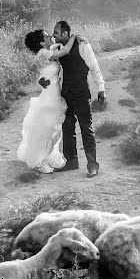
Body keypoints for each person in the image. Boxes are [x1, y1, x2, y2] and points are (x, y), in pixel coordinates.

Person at [40, 20, 106, 177]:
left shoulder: (83, 45)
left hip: (82, 93)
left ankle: (92, 165)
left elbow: (94, 67)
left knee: (86, 128)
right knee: (67, 128)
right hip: (66, 94)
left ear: (65, 33)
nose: (53, 35)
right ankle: (71, 162)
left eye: (56, 32)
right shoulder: (57, 47)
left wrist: (101, 88)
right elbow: (49, 63)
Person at [18, 29, 77, 173]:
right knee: (48, 129)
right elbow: (66, 51)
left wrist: (40, 80)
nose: (50, 36)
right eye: (46, 35)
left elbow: (44, 73)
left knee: (53, 129)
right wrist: (74, 36)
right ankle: (38, 161)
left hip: (52, 93)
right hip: (50, 95)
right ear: (41, 41)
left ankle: (49, 156)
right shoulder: (44, 53)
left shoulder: (45, 52)